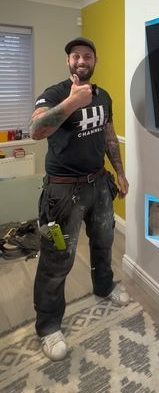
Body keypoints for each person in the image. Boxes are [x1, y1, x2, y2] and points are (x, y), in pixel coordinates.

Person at [29, 37, 129, 362]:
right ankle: (48, 326)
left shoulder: (103, 96)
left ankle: (104, 286)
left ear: (94, 61)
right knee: (58, 258)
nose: (81, 61)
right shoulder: (55, 94)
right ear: (68, 62)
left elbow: (109, 136)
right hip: (62, 192)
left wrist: (120, 172)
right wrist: (71, 103)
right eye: (75, 56)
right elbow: (36, 130)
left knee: (103, 241)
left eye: (87, 56)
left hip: (99, 184)